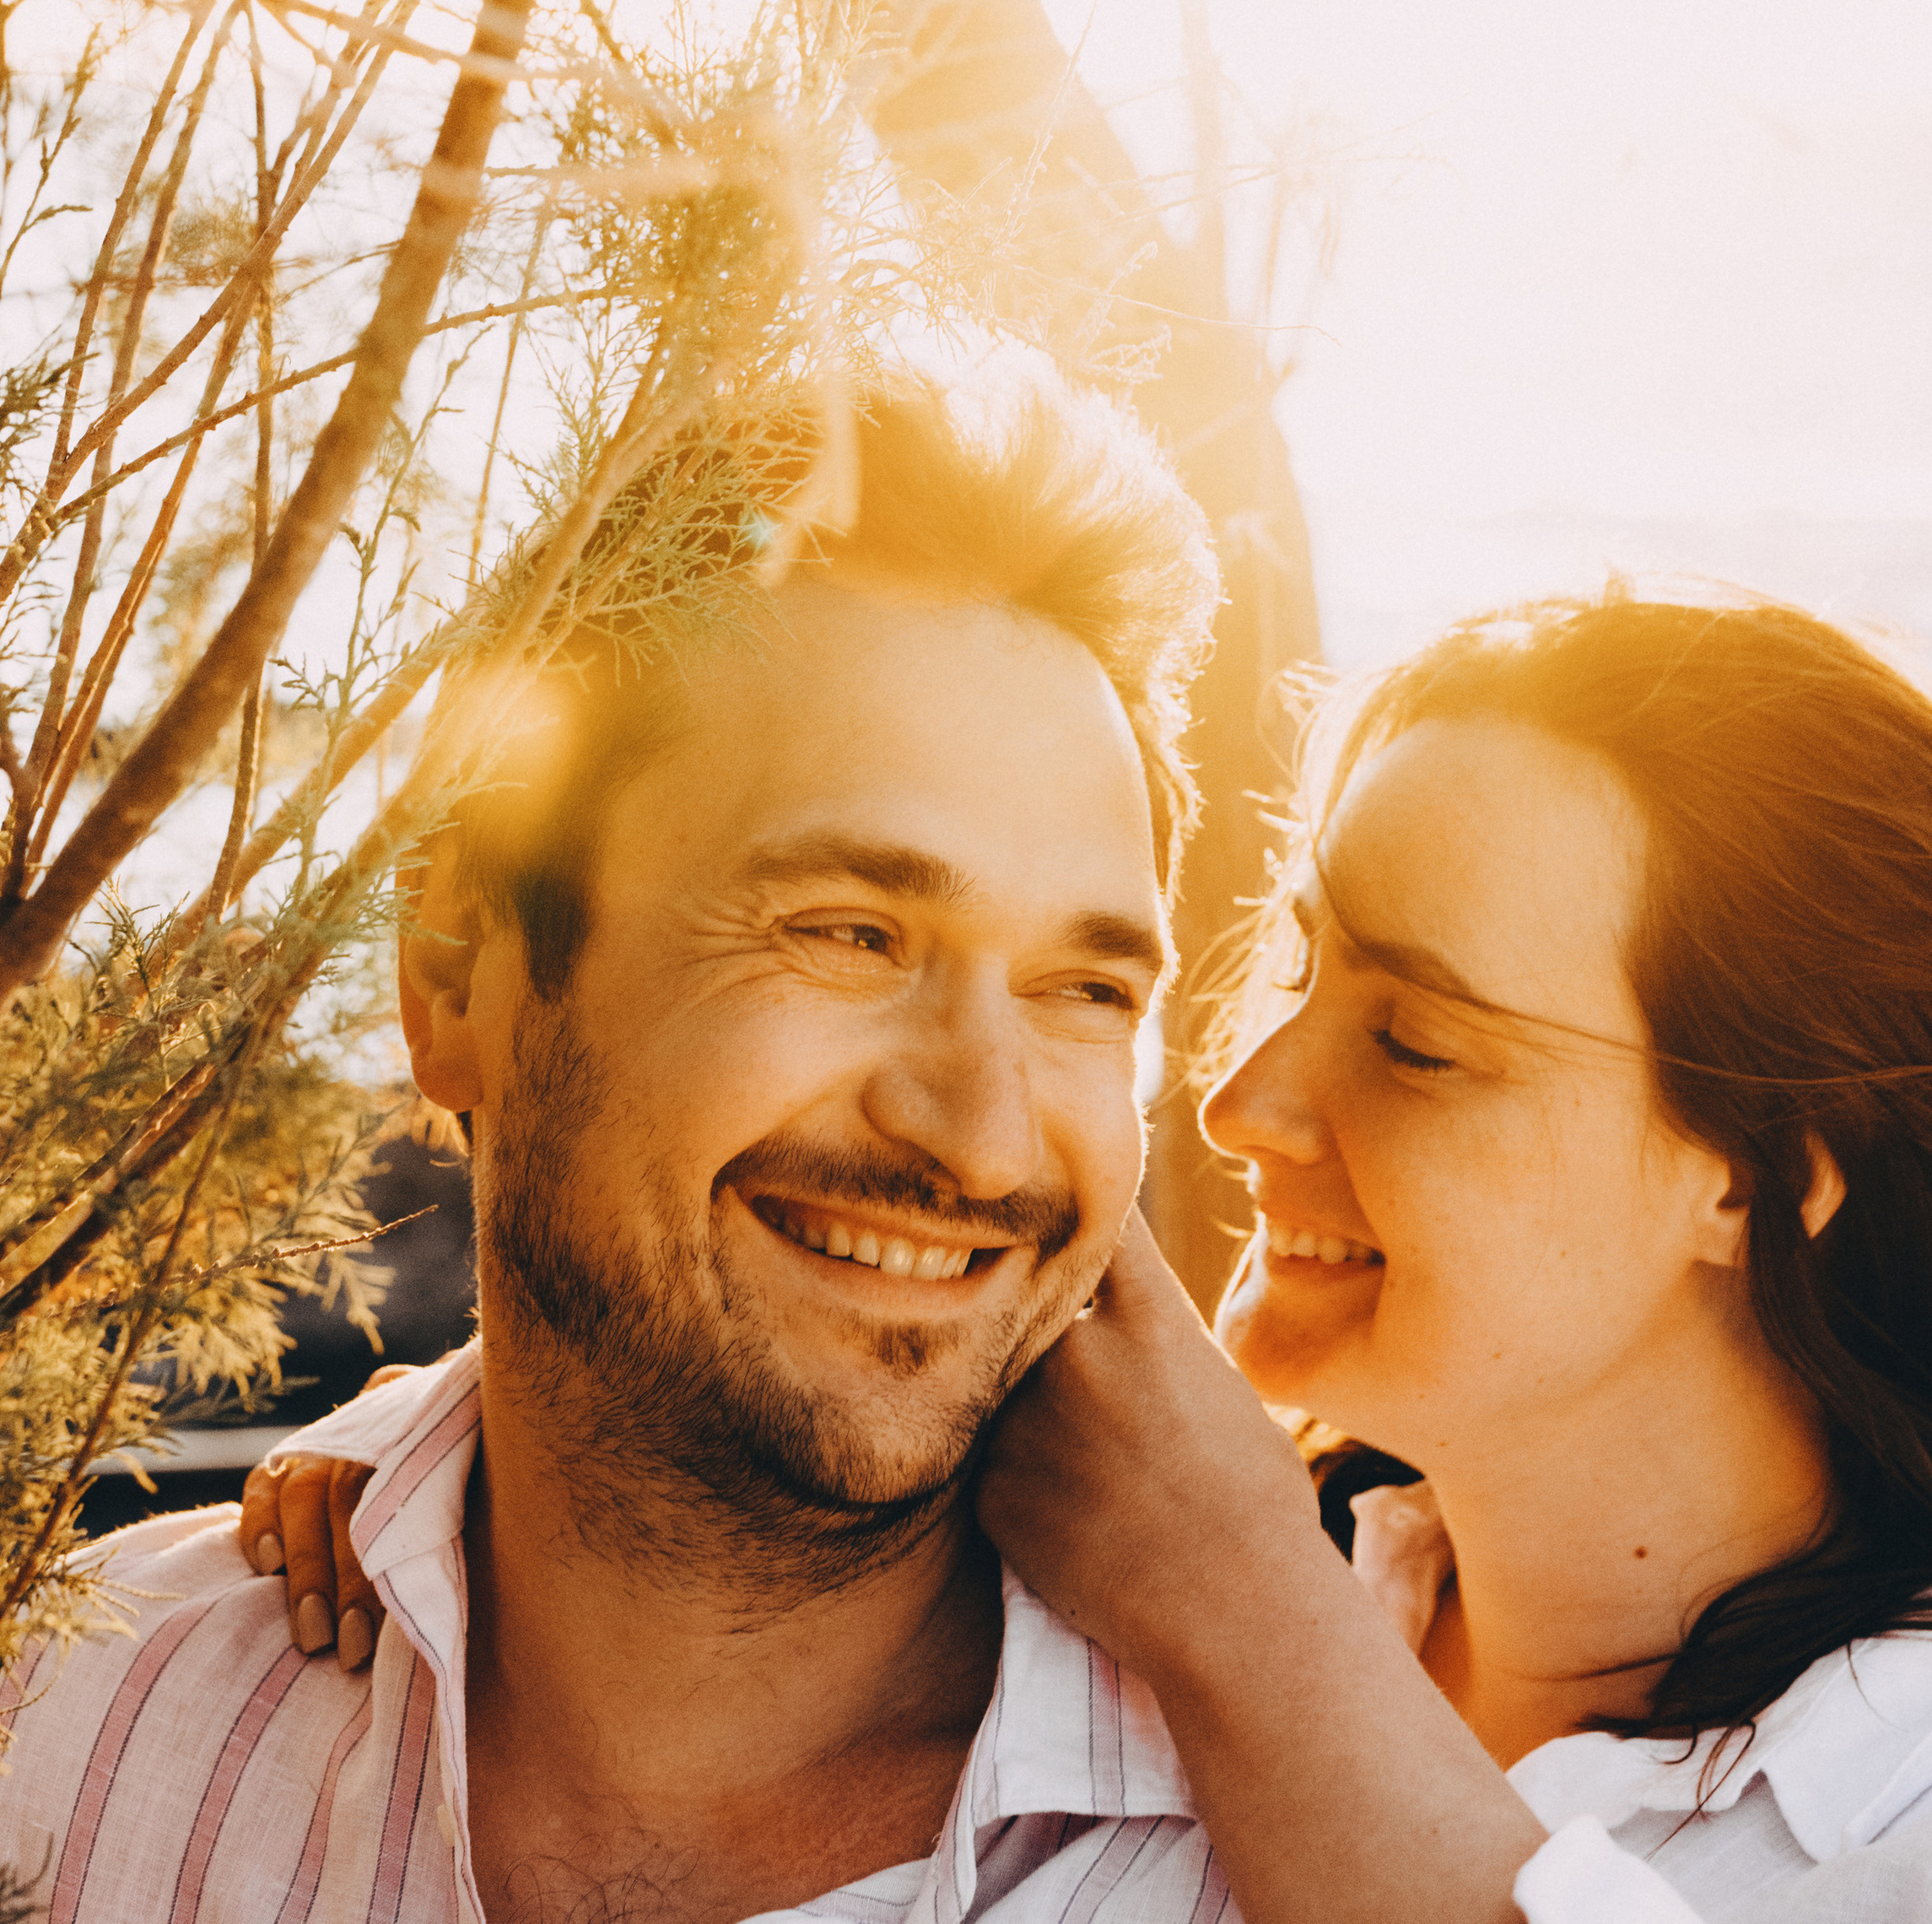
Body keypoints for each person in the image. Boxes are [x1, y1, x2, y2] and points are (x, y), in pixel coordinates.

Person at [272, 593, 1932, 1920]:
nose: (1246, 1103)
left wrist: (1246, 1614)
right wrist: (426, 1474)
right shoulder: (1129, 1594)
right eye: (1288, 972)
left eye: (1415, 1042)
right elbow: (744, 1357)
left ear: (1763, 1174)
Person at [0, 363, 1240, 1924]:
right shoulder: (56, 1740)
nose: (985, 1137)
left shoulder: (1293, 1864)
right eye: (850, 934)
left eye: (1082, 990)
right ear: (457, 975)